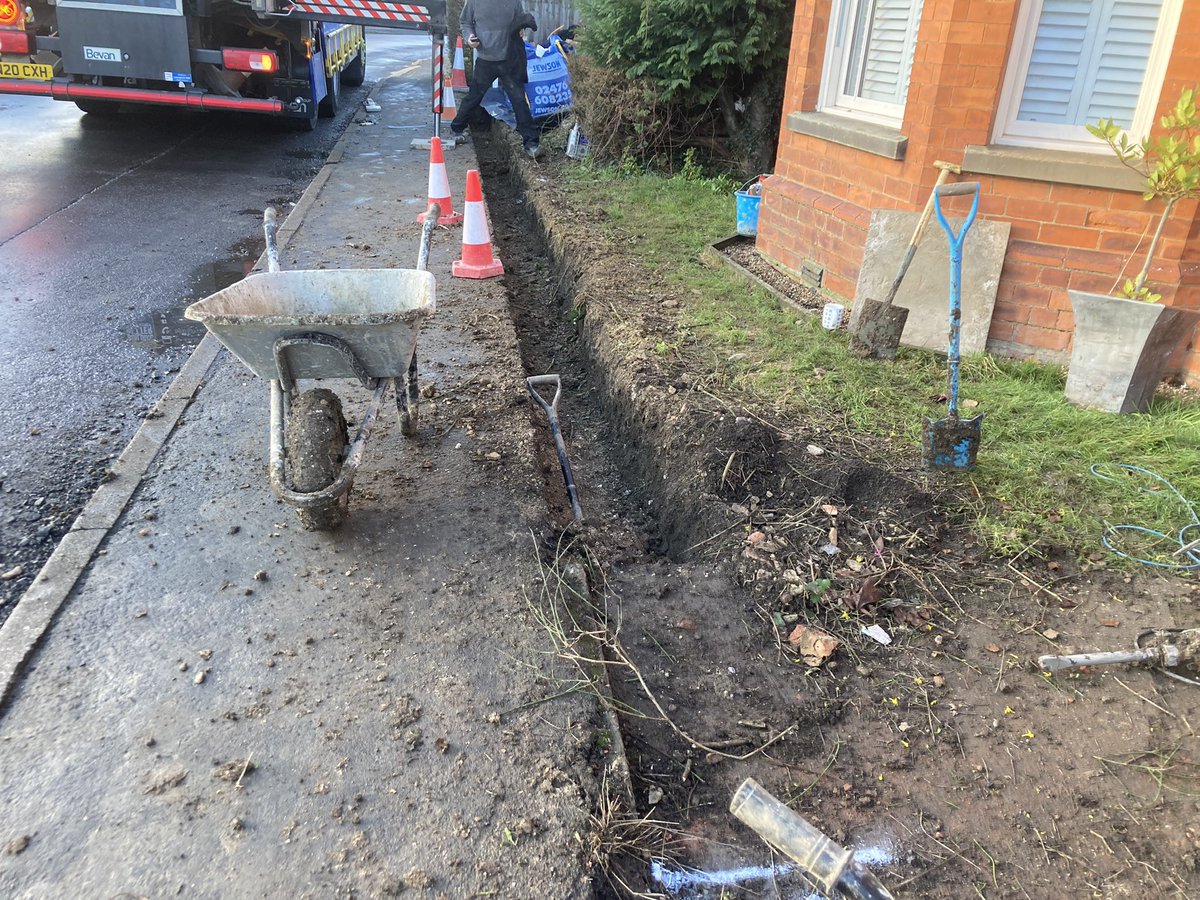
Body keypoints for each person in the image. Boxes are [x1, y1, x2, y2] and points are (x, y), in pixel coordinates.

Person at [450, 0, 542, 158]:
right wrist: (470, 37)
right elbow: (465, 21)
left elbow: (520, 19)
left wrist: (521, 28)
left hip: (509, 59)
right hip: (486, 59)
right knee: (475, 96)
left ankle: (531, 143)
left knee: (518, 100)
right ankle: (457, 127)